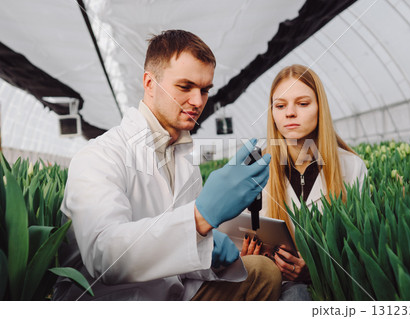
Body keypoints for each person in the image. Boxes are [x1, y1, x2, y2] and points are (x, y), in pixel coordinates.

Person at [52, 30, 281, 301]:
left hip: (176, 294)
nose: (198, 101)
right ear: (150, 83)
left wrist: (211, 250)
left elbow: (179, 255)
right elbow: (105, 256)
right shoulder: (99, 156)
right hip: (120, 302)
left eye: (205, 90)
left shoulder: (183, 158)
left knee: (263, 271)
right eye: (185, 87)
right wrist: (199, 220)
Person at [240, 64, 367, 300]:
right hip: (272, 288)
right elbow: (242, 232)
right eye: (280, 105)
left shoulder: (351, 166)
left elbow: (362, 248)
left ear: (320, 108)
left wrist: (315, 270)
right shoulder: (254, 167)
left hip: (331, 290)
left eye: (303, 103)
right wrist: (248, 255)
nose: (290, 113)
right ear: (273, 113)